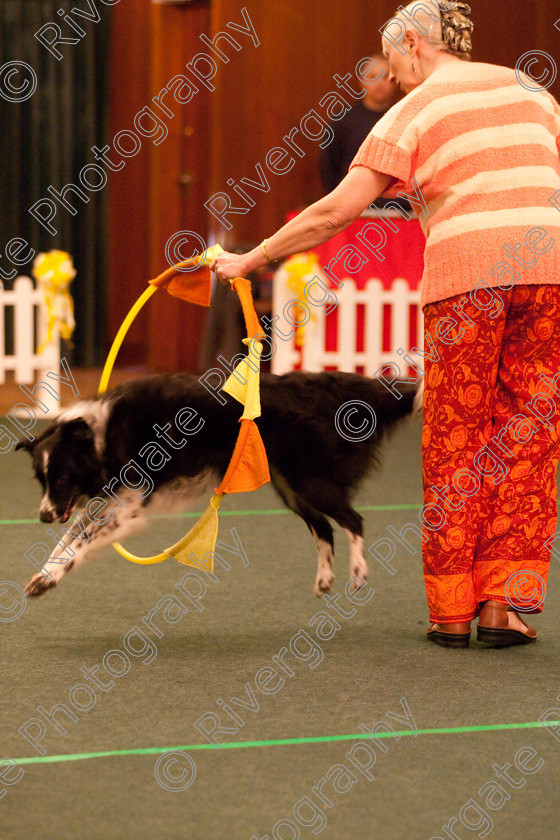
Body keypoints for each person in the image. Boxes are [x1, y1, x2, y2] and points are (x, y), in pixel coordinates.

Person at [212, 1, 560, 648]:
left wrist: (253, 258)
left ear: (411, 42)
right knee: (528, 434)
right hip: (548, 272)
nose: (392, 74)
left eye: (393, 57)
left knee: (457, 432)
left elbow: (338, 209)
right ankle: (503, 607)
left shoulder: (414, 108)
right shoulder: (532, 90)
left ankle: (453, 609)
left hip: (469, 277)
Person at [319, 53, 399, 206]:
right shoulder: (342, 122)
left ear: (394, 80)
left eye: (384, 77)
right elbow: (328, 170)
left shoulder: (404, 120)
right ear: (362, 81)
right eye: (372, 76)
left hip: (398, 212)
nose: (379, 84)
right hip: (352, 210)